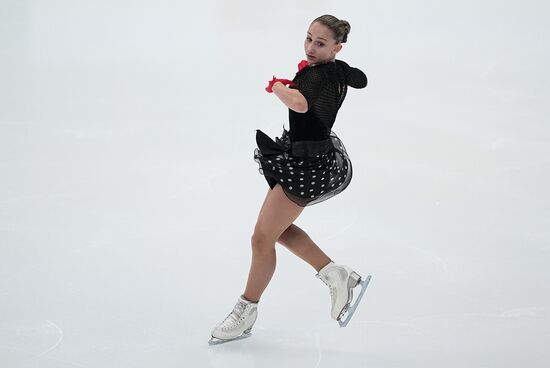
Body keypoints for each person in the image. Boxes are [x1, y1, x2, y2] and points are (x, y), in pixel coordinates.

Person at [209, 14, 371, 345]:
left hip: (306, 167)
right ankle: (335, 274)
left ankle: (246, 310)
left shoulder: (315, 77)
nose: (311, 47)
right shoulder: (334, 70)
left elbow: (299, 104)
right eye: (309, 38)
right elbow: (360, 79)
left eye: (321, 43)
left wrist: (281, 87)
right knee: (275, 232)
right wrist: (336, 69)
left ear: (337, 47)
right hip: (311, 157)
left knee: (261, 239)